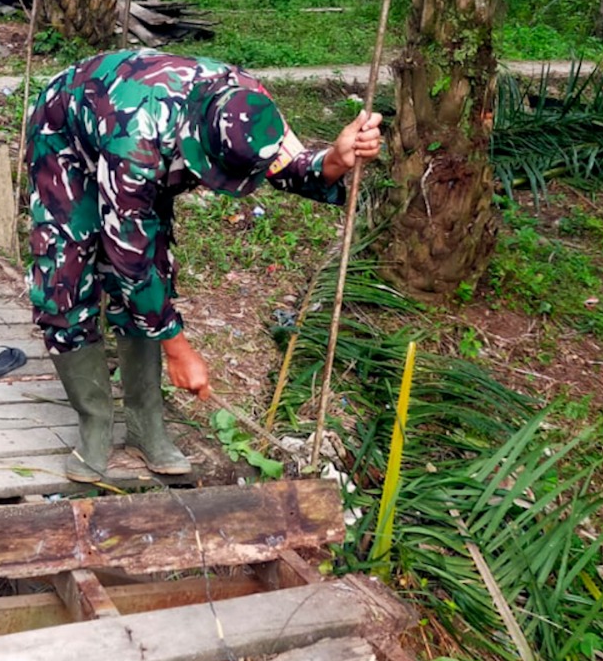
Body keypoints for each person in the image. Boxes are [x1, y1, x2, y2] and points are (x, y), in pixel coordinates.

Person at [25, 50, 384, 482]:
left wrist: (335, 160)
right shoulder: (138, 138)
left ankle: (145, 424)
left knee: (155, 267)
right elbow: (130, 258)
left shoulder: (252, 106)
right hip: (68, 131)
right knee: (64, 278)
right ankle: (95, 423)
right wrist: (178, 348)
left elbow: (286, 164)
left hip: (143, 141)